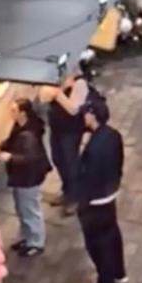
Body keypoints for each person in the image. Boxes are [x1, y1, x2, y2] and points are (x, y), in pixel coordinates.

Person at [75, 97, 126, 283]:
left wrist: (82, 202)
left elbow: (89, 176)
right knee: (112, 235)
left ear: (92, 115)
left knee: (97, 244)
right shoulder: (113, 135)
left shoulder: (94, 148)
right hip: (110, 194)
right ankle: (119, 272)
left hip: (95, 201)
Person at [0, 101, 51, 257]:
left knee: (29, 210)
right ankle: (27, 238)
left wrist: (9, 157)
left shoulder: (28, 135)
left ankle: (36, 242)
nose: (11, 112)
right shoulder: (22, 126)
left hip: (28, 179)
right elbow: (12, 141)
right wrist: (3, 146)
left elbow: (30, 158)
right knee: (22, 209)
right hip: (22, 178)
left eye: (14, 110)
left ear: (23, 113)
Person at [47, 73, 94, 213]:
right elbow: (44, 96)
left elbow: (73, 109)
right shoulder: (58, 79)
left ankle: (75, 197)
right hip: (56, 128)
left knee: (71, 162)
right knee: (58, 159)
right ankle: (66, 190)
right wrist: (57, 91)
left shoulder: (80, 83)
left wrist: (57, 93)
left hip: (71, 131)